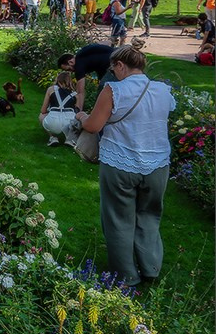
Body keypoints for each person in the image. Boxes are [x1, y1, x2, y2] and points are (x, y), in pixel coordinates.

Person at [75, 46, 175, 288]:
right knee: (150, 215)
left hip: (121, 162)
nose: (113, 73)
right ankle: (150, 267)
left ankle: (126, 275)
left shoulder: (113, 90)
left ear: (120, 65)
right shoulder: (163, 90)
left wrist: (81, 117)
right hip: (157, 164)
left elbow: (93, 126)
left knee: (118, 218)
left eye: (113, 68)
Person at [39, 71, 79, 147]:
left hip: (53, 122)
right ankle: (70, 139)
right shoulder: (75, 94)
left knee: (41, 115)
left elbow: (43, 110)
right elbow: (77, 111)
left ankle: (52, 137)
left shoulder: (51, 90)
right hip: (69, 123)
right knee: (77, 118)